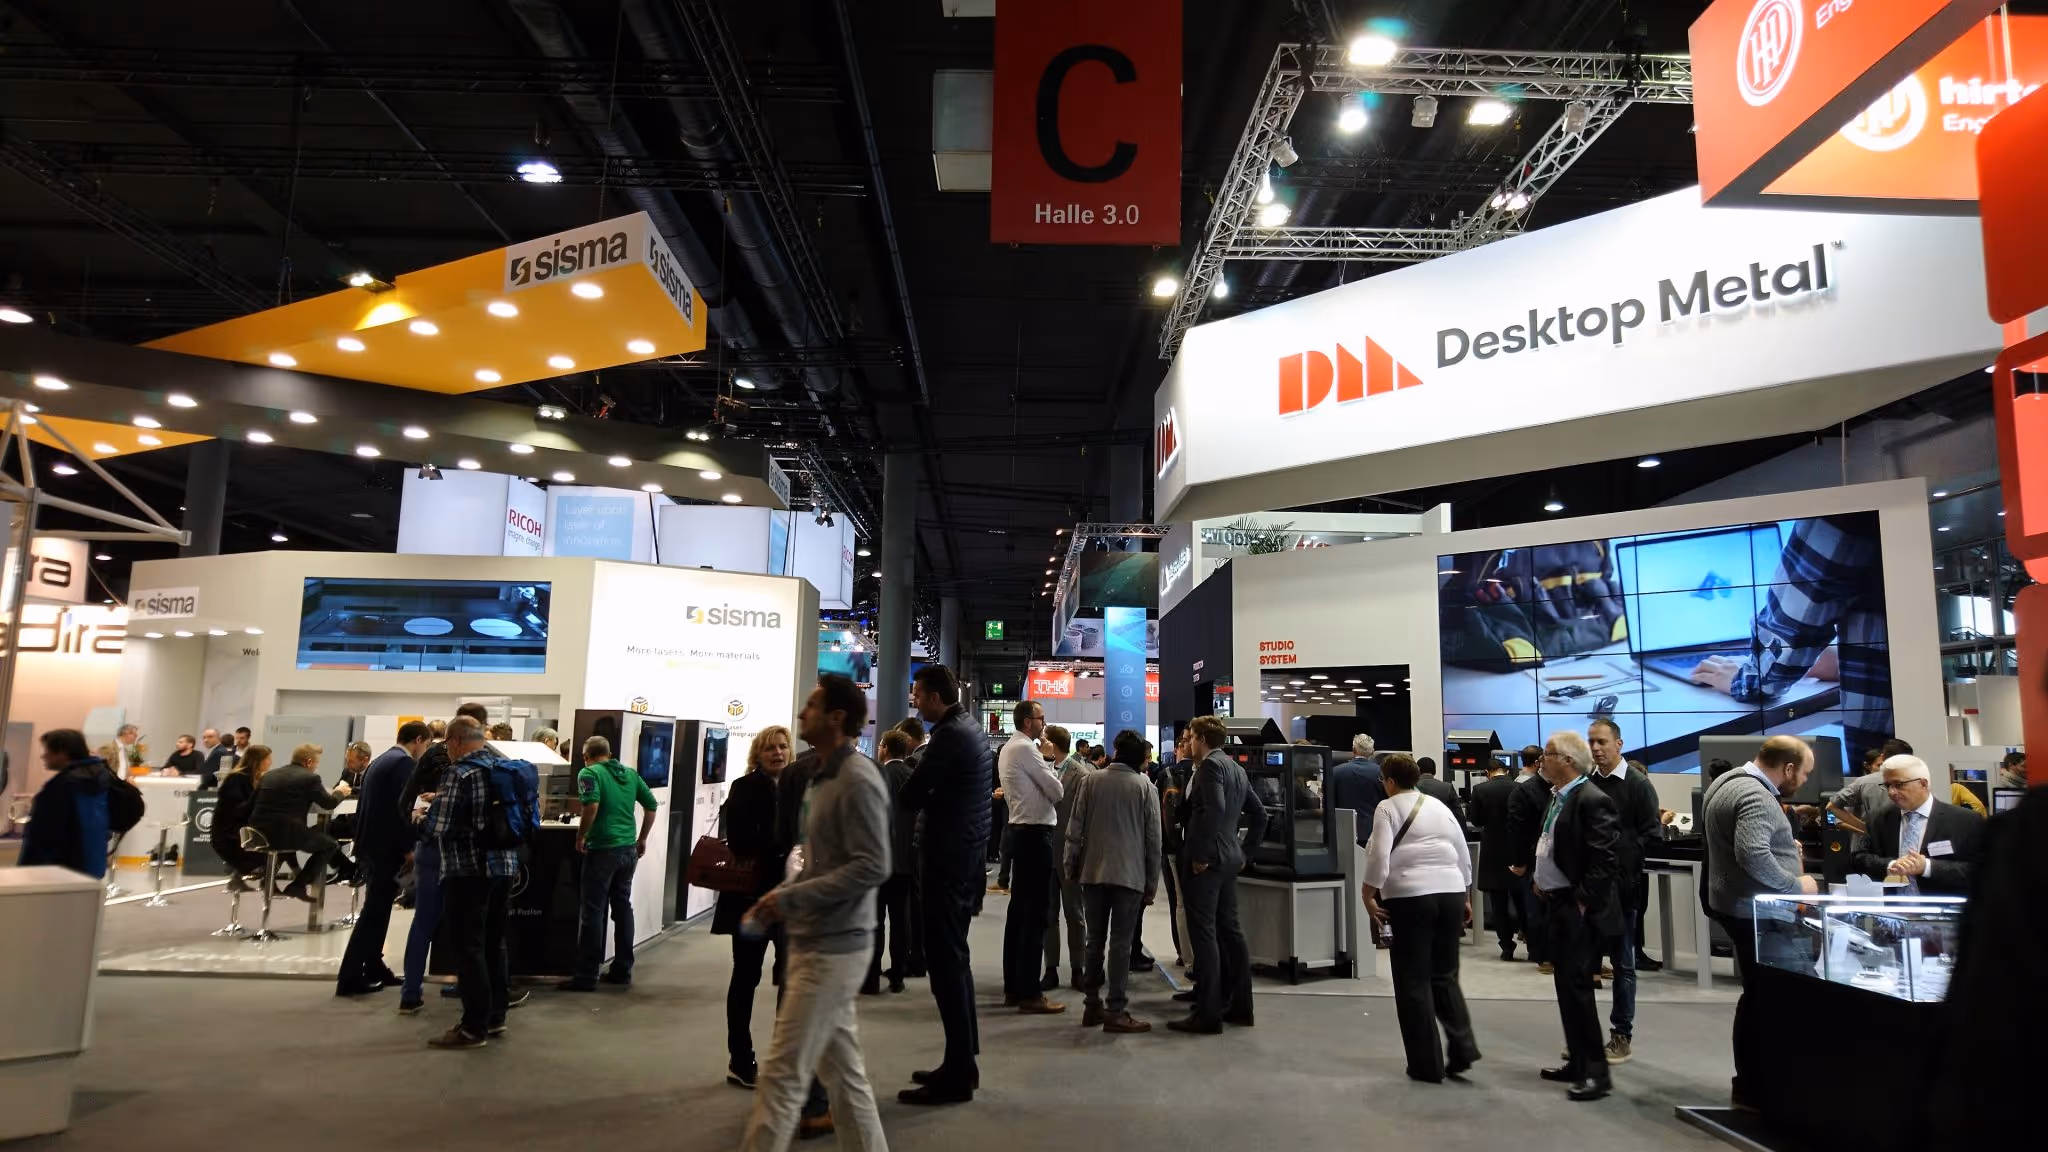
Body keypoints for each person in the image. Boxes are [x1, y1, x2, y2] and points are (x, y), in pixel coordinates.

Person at [737, 674, 891, 1152]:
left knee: (782, 1077)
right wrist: (786, 892)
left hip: (834, 946)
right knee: (845, 1077)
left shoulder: (858, 779)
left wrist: (792, 899)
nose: (802, 715)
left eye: (811, 706)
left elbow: (873, 865)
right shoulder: (819, 777)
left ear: (836, 718)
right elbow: (817, 856)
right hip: (813, 939)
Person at [1688, 514, 1890, 758]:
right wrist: (1838, 662)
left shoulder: (1836, 508)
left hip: (1887, 766)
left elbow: (1796, 619)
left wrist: (1752, 677)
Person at [1702, 734, 1820, 1109]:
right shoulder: (1756, 796)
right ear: (1787, 768)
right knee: (1778, 1001)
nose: (1804, 781)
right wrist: (1795, 884)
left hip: (1736, 906)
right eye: (1803, 773)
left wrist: (1784, 847)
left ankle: (1752, 1086)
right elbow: (1752, 853)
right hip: (1761, 915)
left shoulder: (1726, 782)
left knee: (1757, 998)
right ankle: (1771, 1090)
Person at [897, 664, 992, 1106]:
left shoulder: (950, 737)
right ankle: (961, 1063)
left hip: (947, 863)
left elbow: (910, 794)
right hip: (962, 860)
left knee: (947, 968)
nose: (914, 701)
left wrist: (928, 794)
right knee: (955, 964)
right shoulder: (967, 728)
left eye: (918, 694)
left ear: (936, 696)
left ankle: (958, 1074)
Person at [1361, 753, 1479, 1083]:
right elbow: (1462, 851)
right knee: (1444, 975)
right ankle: (1463, 1047)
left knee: (1412, 980)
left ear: (1389, 781)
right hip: (1451, 892)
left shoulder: (1387, 808)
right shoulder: (1438, 806)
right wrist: (1466, 895)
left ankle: (1426, 1064)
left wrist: (1368, 893)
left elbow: (1379, 855)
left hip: (1411, 897)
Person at [421, 715, 537, 1049]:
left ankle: (473, 1027)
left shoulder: (460, 773)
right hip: (505, 867)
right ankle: (495, 1016)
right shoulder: (505, 767)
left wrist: (420, 819)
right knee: (494, 942)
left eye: (447, 745)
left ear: (456, 741)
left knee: (468, 946)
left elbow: (438, 826)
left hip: (468, 870)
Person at [1533, 730, 1622, 1102]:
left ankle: (1597, 1075)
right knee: (1566, 989)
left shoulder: (1591, 799)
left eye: (1549, 754)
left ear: (1567, 761)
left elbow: (1605, 860)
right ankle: (1578, 1061)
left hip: (1578, 910)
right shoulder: (1557, 797)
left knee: (1579, 991)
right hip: (1557, 903)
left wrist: (1582, 901)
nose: (1542, 759)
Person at [1170, 714, 1268, 1035]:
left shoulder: (1211, 767)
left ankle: (1207, 1013)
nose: (1188, 742)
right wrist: (1244, 852)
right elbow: (1259, 814)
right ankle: (1240, 1006)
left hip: (1208, 861)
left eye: (1191, 737)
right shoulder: (1235, 768)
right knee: (1230, 931)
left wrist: (1200, 855)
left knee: (1205, 934)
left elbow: (1214, 809)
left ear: (1202, 739)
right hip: (1227, 859)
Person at [1064, 728, 1161, 1034]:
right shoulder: (1145, 787)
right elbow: (1153, 840)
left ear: (1115, 751)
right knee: (1120, 944)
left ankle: (1091, 1006)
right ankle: (1115, 1010)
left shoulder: (1091, 780)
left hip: (1093, 872)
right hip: (1129, 876)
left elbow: (1075, 827)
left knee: (1095, 940)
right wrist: (1151, 882)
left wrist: (1071, 864)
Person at [398, 702, 490, 1013]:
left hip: (431, 849)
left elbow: (406, 803)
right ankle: (470, 991)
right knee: (467, 925)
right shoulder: (476, 765)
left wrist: (418, 826)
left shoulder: (430, 758)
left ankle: (411, 992)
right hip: (458, 852)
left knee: (424, 923)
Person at [716, 725, 794, 1090]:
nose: (777, 753)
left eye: (782, 747)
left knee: (793, 980)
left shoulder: (798, 787)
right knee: (746, 976)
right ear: (758, 754)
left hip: (792, 898)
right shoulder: (743, 788)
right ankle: (740, 1058)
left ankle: (785, 1059)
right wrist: (783, 846)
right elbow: (742, 841)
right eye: (770, 748)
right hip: (750, 899)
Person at [336, 723, 431, 996]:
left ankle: (374, 966)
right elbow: (398, 812)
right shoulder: (401, 764)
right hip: (385, 849)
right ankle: (350, 977)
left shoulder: (383, 760)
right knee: (373, 913)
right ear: (418, 740)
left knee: (377, 911)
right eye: (425, 745)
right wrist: (408, 847)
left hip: (372, 846)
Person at [1584, 719, 1659, 1061]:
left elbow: (1651, 834)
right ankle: (1584, 1036)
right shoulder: (1586, 784)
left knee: (1623, 965)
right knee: (1584, 964)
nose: (1596, 748)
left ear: (1619, 744)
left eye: (1601, 742)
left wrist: (1621, 856)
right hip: (1588, 889)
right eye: (1592, 742)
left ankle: (1621, 1034)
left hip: (1622, 890)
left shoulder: (1637, 785)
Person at [560, 734, 659, 992]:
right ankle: (622, 970)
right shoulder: (630, 774)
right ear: (610, 754)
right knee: (622, 908)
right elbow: (651, 806)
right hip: (628, 850)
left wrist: (581, 836)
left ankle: (586, 976)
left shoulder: (589, 773)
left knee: (592, 913)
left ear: (585, 756)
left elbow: (591, 806)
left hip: (603, 850)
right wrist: (642, 839)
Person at [996, 700, 1064, 1014]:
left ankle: (1015, 987)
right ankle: (1030, 993)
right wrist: (1050, 759)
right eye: (1040, 718)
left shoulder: (1010, 748)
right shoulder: (1026, 749)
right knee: (1035, 915)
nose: (1043, 723)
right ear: (1027, 722)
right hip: (1035, 835)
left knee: (1019, 914)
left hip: (1021, 833)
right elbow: (1057, 791)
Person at [1851, 755, 1983, 896]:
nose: (1891, 792)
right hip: (1891, 912)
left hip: (1942, 911)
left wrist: (1927, 867)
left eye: (1899, 785)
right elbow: (1858, 859)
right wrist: (1890, 865)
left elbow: (1980, 870)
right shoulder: (1878, 818)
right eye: (1888, 785)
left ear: (1923, 784)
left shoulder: (1964, 820)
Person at [247, 743, 351, 902]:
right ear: (308, 762)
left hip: (256, 835)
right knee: (330, 845)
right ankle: (297, 885)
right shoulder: (310, 778)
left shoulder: (269, 775)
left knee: (299, 837)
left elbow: (252, 804)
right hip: (285, 835)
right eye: (316, 763)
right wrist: (340, 792)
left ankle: (270, 878)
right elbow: (328, 803)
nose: (316, 767)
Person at [18, 729, 124, 878]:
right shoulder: (100, 779)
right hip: (92, 866)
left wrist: (27, 871)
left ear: (62, 752)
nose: (43, 755)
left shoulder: (62, 785)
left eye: (48, 750)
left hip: (60, 871)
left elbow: (44, 836)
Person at [866, 729, 917, 996]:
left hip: (876, 859)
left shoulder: (874, 775)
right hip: (905, 860)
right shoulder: (911, 777)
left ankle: (871, 975)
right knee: (901, 921)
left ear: (884, 747)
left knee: (874, 920)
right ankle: (898, 974)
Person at [1044, 725, 1093, 992]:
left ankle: (1078, 968)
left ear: (1052, 744)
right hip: (1044, 851)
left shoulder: (1081, 774)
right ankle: (1050, 968)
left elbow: (1084, 818)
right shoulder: (1041, 768)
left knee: (1075, 913)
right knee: (1048, 915)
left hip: (1070, 853)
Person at [1465, 756, 1522, 961]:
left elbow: (1476, 820)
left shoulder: (1481, 791)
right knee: (1521, 899)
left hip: (1492, 850)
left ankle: (1507, 946)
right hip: (1516, 849)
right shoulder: (1518, 788)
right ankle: (1533, 944)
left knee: (1499, 903)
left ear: (1488, 773)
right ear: (1505, 770)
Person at [210, 745, 272, 884]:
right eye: (268, 759)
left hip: (242, 829)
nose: (270, 763)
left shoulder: (254, 779)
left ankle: (242, 880)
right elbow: (236, 810)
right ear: (258, 760)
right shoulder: (236, 779)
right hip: (229, 833)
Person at [1329, 734, 1385, 846]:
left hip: (1343, 830)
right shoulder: (1382, 773)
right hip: (1374, 829)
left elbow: (1330, 803)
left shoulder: (1336, 772)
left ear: (1353, 750)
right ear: (1372, 751)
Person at [1414, 756, 1466, 829]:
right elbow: (1459, 816)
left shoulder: (1410, 788)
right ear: (1434, 771)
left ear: (1417, 771)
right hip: (1442, 831)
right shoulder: (1447, 787)